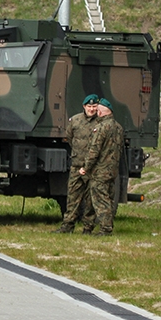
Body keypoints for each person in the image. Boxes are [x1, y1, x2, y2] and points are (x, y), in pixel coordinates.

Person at [52, 94, 100, 233]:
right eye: (89, 106)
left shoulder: (100, 123)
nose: (91, 109)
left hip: (93, 167)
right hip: (77, 165)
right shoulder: (75, 121)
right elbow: (70, 138)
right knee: (72, 197)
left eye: (94, 107)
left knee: (90, 199)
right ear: (84, 107)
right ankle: (67, 226)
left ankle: (88, 227)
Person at [79, 98, 125, 236]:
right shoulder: (118, 127)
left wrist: (86, 167)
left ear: (100, 112)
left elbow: (94, 151)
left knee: (100, 200)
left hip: (100, 170)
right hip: (112, 170)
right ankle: (91, 227)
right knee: (108, 199)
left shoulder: (101, 128)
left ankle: (105, 229)